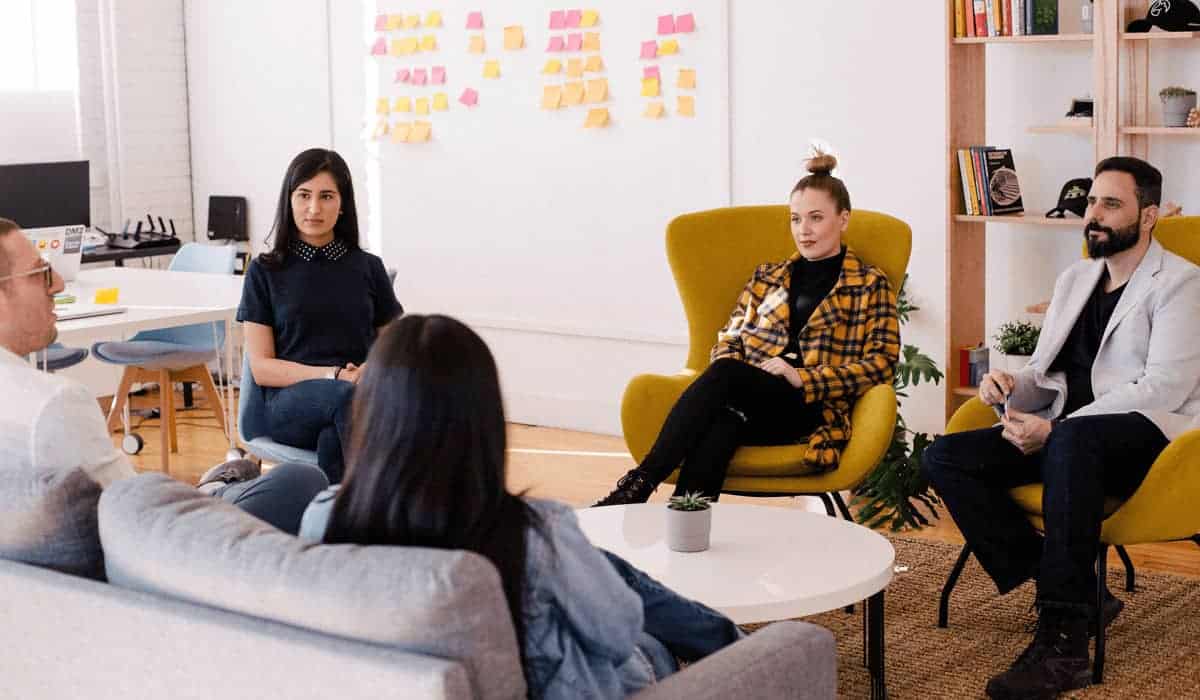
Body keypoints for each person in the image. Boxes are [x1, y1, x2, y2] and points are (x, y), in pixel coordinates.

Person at [297, 315, 743, 699]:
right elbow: (618, 632)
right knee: (644, 632)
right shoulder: (532, 533)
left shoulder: (323, 517)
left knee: (597, 567)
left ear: (372, 413)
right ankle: (738, 647)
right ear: (483, 418)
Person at [922, 156, 1200, 700]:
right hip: (1071, 439)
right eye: (1092, 200)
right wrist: (1008, 387)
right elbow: (1048, 374)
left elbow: (1163, 388)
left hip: (1150, 440)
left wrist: (1057, 430)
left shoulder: (1182, 284)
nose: (1093, 214)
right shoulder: (1076, 278)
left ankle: (1064, 643)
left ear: (1147, 217)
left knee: (1072, 440)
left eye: (1110, 204)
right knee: (945, 457)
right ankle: (1082, 591)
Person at [594, 151, 900, 506]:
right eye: (796, 219)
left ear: (843, 219)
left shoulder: (869, 283)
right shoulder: (768, 277)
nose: (804, 230)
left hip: (810, 407)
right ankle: (686, 525)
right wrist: (747, 377)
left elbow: (882, 363)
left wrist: (804, 377)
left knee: (725, 375)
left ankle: (639, 484)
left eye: (816, 218)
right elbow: (730, 339)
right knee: (723, 422)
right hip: (749, 396)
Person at [0, 217, 325, 538]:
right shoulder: (53, 405)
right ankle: (211, 492)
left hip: (116, 538)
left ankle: (210, 489)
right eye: (40, 272)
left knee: (248, 479)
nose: (57, 282)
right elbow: (136, 513)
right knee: (300, 480)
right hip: (167, 546)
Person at [238, 148, 403, 483]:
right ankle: (394, 507)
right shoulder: (265, 271)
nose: (314, 208)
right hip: (289, 405)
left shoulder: (368, 268)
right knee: (349, 400)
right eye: (304, 195)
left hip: (353, 401)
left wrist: (372, 368)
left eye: (326, 196)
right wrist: (335, 375)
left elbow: (398, 345)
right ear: (289, 200)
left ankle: (336, 526)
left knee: (335, 439)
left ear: (342, 204)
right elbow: (263, 368)